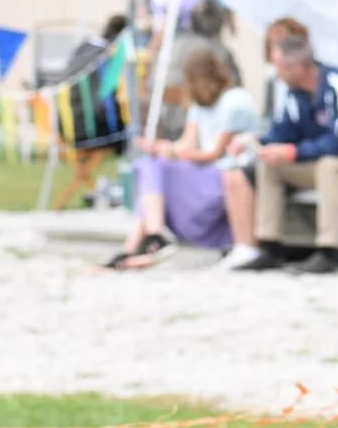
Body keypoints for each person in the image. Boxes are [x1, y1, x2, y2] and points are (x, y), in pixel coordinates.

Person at [229, 34, 338, 273]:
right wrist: (254, 142)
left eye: (278, 66)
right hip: (329, 166)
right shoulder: (295, 95)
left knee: (330, 165)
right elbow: (283, 133)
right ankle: (270, 246)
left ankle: (328, 251)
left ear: (297, 67)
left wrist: (293, 151)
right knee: (270, 164)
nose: (276, 73)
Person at [105, 50, 256, 268]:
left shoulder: (235, 101)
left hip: (226, 173)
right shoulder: (199, 106)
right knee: (150, 165)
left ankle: (144, 242)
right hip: (205, 174)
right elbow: (186, 144)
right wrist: (162, 148)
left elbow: (214, 153)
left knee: (154, 171)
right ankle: (142, 241)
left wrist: (178, 154)